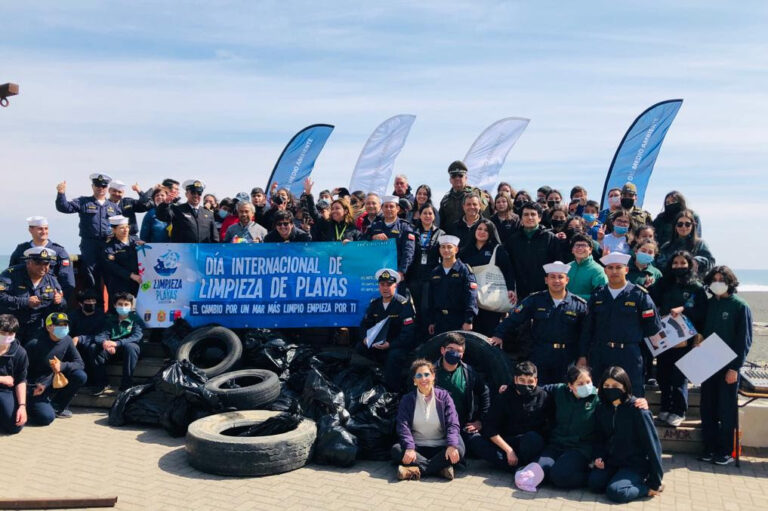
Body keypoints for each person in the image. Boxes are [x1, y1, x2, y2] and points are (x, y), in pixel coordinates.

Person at [580, 252, 663, 396]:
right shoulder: (598, 295)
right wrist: (582, 355)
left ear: (626, 270)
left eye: (618, 267)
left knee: (632, 394)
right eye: (610, 268)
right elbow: (587, 329)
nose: (614, 271)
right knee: (600, 394)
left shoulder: (639, 295)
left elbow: (652, 328)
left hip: (629, 354)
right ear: (605, 271)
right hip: (601, 353)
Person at [491, 262, 587, 384]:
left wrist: (582, 356)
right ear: (546, 280)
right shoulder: (535, 300)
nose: (556, 280)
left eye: (560, 277)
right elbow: (514, 318)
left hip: (566, 357)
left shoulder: (579, 305)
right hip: (540, 354)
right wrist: (498, 334)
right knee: (539, 391)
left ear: (567, 280)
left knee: (563, 391)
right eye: (552, 277)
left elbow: (585, 334)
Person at [698, 266, 752, 465]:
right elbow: (702, 329)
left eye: (722, 279)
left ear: (730, 282)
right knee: (708, 407)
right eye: (714, 279)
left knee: (726, 409)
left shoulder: (739, 306)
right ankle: (710, 448)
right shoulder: (710, 304)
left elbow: (743, 341)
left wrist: (735, 368)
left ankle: (727, 451)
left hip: (728, 365)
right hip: (708, 361)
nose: (717, 282)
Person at [589, 366, 664, 503]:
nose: (610, 389)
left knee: (616, 492)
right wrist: (598, 457)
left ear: (625, 387)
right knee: (595, 484)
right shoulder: (602, 408)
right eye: (606, 385)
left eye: (615, 385)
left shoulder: (638, 410)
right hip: (612, 461)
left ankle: (647, 489)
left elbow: (653, 446)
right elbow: (599, 437)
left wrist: (655, 481)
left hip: (634, 464)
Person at [652, 251, 708, 427]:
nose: (678, 266)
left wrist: (684, 309)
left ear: (690, 265)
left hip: (685, 339)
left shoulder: (696, 287)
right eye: (675, 263)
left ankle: (679, 411)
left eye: (683, 263)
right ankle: (665, 408)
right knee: (663, 375)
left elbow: (702, 312)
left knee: (679, 377)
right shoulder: (664, 283)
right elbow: (651, 300)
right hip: (664, 336)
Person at [392, 359, 465, 481]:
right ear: (414, 381)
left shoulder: (444, 397)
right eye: (419, 375)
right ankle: (441, 469)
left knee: (459, 449)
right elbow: (402, 426)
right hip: (417, 448)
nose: (423, 379)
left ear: (433, 376)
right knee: (396, 450)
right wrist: (410, 448)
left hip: (441, 446)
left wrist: (451, 445)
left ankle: (413, 471)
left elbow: (453, 423)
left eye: (426, 374)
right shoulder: (407, 399)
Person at [529, 365, 599, 489]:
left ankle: (588, 476)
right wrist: (510, 387)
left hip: (580, 448)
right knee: (535, 474)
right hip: (557, 444)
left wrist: (639, 401)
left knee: (559, 477)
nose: (586, 386)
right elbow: (536, 388)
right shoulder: (560, 390)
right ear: (570, 386)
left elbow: (621, 400)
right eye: (580, 383)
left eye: (588, 382)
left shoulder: (598, 398)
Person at [477, 361, 550, 471]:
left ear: (536, 381)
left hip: (531, 443)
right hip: (508, 442)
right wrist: (509, 451)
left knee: (532, 438)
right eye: (522, 380)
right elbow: (490, 428)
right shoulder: (504, 396)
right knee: (477, 442)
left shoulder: (543, 396)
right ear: (515, 379)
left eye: (530, 381)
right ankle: (523, 466)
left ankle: (518, 466)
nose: (526, 385)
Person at [55, 173, 121, 288]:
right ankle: (95, 304)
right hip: (89, 244)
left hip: (108, 244)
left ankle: (112, 305)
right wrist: (61, 193)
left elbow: (122, 227)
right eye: (98, 186)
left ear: (107, 189)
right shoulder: (83, 202)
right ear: (92, 187)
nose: (101, 188)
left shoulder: (114, 207)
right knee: (91, 275)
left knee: (111, 276)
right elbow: (64, 207)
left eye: (104, 186)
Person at [357, 269, 415, 392]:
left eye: (389, 284)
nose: (385, 288)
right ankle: (371, 381)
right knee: (359, 348)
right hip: (377, 344)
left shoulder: (403, 305)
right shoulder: (375, 304)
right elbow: (364, 325)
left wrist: (390, 344)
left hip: (396, 345)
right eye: (382, 284)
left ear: (396, 285)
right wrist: (365, 339)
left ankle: (392, 390)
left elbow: (408, 333)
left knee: (393, 356)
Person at [433, 333, 490, 458]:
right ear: (443, 350)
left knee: (479, 446)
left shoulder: (469, 373)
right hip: (434, 427)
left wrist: (480, 421)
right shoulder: (429, 372)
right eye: (450, 349)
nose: (454, 353)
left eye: (458, 351)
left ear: (462, 354)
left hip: (461, 426)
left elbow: (484, 393)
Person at [25, 312, 87, 423]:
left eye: (65, 325)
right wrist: (30, 388)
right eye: (59, 325)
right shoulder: (34, 343)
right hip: (36, 386)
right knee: (46, 418)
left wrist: (62, 366)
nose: (64, 328)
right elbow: (21, 370)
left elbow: (80, 363)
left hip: (52, 381)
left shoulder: (67, 340)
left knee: (80, 376)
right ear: (48, 327)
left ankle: (57, 407)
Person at [459, 219, 516, 336]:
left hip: (490, 299)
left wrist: (511, 289)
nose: (482, 232)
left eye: (486, 230)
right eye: (479, 229)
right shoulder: (464, 251)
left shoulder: (497, 249)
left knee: (489, 334)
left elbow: (508, 270)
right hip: (469, 299)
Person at [0, 247, 66, 343]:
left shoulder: (51, 280)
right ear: (28, 263)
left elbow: (62, 306)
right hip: (11, 325)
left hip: (37, 328)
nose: (43, 267)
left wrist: (59, 301)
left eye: (46, 263)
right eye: (38, 263)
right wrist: (26, 301)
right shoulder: (11, 274)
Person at [504, 201, 563, 300]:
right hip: (520, 293)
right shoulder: (513, 240)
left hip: (545, 293)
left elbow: (557, 264)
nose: (530, 217)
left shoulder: (550, 238)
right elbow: (508, 267)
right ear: (521, 218)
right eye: (526, 214)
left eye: (533, 214)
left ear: (539, 218)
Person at [87, 292, 144, 394]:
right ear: (115, 305)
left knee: (131, 347)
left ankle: (126, 384)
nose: (123, 307)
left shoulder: (136, 319)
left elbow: (136, 336)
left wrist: (116, 343)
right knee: (93, 347)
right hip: (113, 351)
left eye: (126, 304)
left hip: (130, 352)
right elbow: (100, 335)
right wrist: (105, 343)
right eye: (120, 304)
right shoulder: (110, 319)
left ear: (131, 306)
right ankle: (102, 383)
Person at [9, 216, 75, 302]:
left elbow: (67, 280)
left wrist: (60, 299)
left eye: (46, 228)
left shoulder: (59, 251)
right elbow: (11, 273)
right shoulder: (21, 250)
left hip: (49, 299)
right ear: (30, 230)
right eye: (40, 229)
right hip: (24, 298)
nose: (44, 232)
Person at [406, 204, 444, 339]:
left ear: (434, 216)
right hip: (414, 276)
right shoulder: (412, 232)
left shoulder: (441, 233)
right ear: (419, 215)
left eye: (430, 213)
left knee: (426, 308)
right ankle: (416, 339)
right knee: (415, 309)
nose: (427, 216)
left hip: (431, 277)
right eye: (425, 213)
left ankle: (427, 339)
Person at [427, 235, 478, 335]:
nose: (446, 250)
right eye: (443, 247)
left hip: (458, 319)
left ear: (456, 249)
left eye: (449, 247)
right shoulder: (435, 272)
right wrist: (431, 321)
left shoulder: (464, 270)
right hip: (439, 320)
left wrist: (468, 320)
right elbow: (431, 299)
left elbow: (471, 296)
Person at [365, 196, 415, 282]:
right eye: (386, 206)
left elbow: (408, 252)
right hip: (377, 271)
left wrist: (401, 272)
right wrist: (373, 237)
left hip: (397, 272)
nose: (388, 209)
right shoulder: (375, 226)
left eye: (391, 206)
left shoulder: (404, 227)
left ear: (398, 208)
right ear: (382, 208)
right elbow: (362, 240)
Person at [657, 210, 714, 279]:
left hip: (694, 283)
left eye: (687, 224)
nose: (683, 227)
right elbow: (660, 264)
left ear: (692, 226)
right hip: (671, 284)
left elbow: (710, 262)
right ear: (675, 226)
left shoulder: (700, 244)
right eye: (680, 224)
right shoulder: (666, 246)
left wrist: (694, 262)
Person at [0, 314, 28, 435]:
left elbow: (21, 380)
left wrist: (22, 406)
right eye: (2, 333)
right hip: (3, 382)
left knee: (14, 426)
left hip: (5, 391)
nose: (6, 337)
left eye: (10, 334)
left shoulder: (20, 352)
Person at [439, 160, 487, 229]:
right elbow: (441, 223)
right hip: (451, 237)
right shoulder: (445, 200)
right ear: (450, 180)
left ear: (466, 178)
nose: (457, 178)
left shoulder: (478, 195)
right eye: (454, 176)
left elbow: (486, 219)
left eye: (460, 175)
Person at [103, 215, 142, 298]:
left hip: (139, 281)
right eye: (121, 228)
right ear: (114, 230)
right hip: (120, 283)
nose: (125, 230)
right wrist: (131, 275)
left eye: (127, 227)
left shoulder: (136, 241)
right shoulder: (109, 246)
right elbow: (113, 266)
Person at [567, 234, 608, 300]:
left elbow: (602, 295)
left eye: (583, 245)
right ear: (572, 250)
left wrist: (573, 298)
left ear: (590, 250)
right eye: (577, 245)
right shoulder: (566, 267)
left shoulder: (597, 270)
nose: (580, 248)